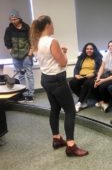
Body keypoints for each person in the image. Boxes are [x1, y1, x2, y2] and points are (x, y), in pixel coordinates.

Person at [30, 15, 88, 157]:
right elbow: (63, 63)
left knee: (55, 109)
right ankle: (71, 146)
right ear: (48, 25)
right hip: (57, 80)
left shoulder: (36, 41)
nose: (54, 27)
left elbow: (47, 58)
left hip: (46, 79)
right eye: (52, 24)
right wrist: (64, 53)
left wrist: (59, 52)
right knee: (70, 111)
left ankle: (56, 139)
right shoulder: (52, 41)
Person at [4, 9, 34, 102]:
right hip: (15, 57)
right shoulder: (9, 29)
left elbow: (32, 40)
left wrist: (30, 52)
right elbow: (7, 41)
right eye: (11, 19)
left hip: (26, 56)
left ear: (19, 18)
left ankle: (30, 95)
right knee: (20, 76)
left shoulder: (26, 28)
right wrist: (10, 50)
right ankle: (23, 93)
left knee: (29, 75)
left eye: (15, 19)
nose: (13, 21)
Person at [69, 42, 102, 112]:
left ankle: (79, 102)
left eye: (91, 49)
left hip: (91, 76)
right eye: (87, 49)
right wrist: (76, 74)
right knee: (72, 83)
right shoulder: (81, 57)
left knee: (88, 83)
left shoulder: (98, 58)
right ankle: (84, 101)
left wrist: (93, 73)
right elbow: (76, 68)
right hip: (81, 76)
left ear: (94, 50)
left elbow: (100, 69)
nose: (89, 50)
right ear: (85, 50)